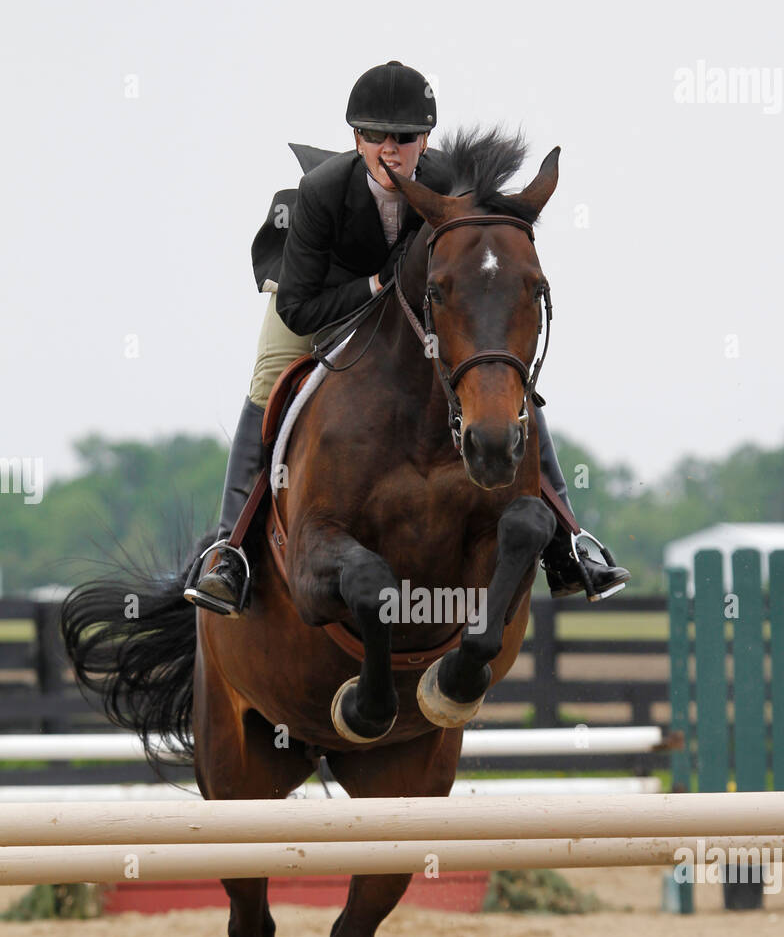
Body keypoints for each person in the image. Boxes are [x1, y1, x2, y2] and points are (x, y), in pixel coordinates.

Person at [185, 60, 629, 616]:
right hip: (319, 295)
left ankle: (569, 542)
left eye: (404, 138)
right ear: (356, 138)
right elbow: (300, 309)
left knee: (497, 374)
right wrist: (374, 284)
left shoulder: (449, 185)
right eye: (374, 136)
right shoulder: (321, 191)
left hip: (416, 301)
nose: (388, 149)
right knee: (270, 380)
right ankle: (230, 550)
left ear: (426, 141)